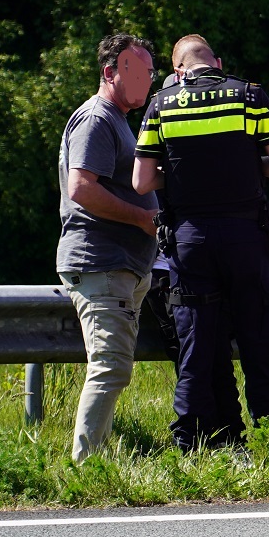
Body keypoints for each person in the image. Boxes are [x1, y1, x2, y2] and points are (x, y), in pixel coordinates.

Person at [133, 35, 269, 450]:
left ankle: (190, 439)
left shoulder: (161, 105)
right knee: (257, 339)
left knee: (197, 342)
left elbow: (141, 181)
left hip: (191, 240)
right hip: (246, 237)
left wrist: (189, 176)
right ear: (217, 63)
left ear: (177, 71)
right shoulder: (249, 96)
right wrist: (243, 165)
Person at [57, 34, 160, 463]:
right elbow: (81, 188)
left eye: (150, 74)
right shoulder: (97, 118)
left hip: (121, 264)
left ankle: (95, 460)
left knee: (114, 368)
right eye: (137, 72)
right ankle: (86, 469)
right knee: (111, 367)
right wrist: (141, 218)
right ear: (109, 72)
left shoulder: (118, 119)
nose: (146, 82)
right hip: (101, 262)